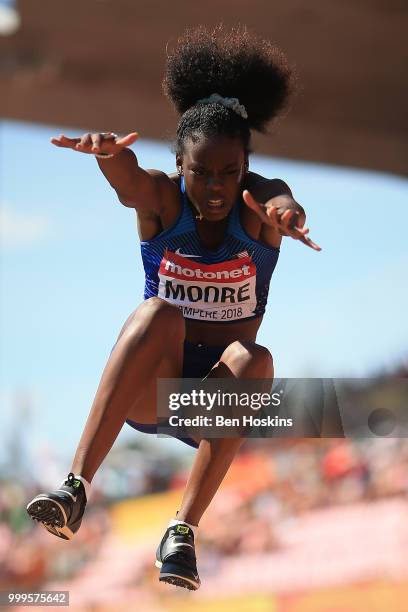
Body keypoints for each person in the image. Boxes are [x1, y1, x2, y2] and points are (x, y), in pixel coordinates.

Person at [26, 24, 321, 591]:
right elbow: (131, 182)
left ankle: (182, 532)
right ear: (179, 166)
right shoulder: (164, 201)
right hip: (151, 388)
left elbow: (284, 201)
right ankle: (75, 488)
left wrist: (288, 217)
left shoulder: (259, 204)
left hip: (205, 403)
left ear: (245, 168)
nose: (215, 188)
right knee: (160, 314)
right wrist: (108, 157)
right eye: (200, 173)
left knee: (256, 358)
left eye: (229, 174)